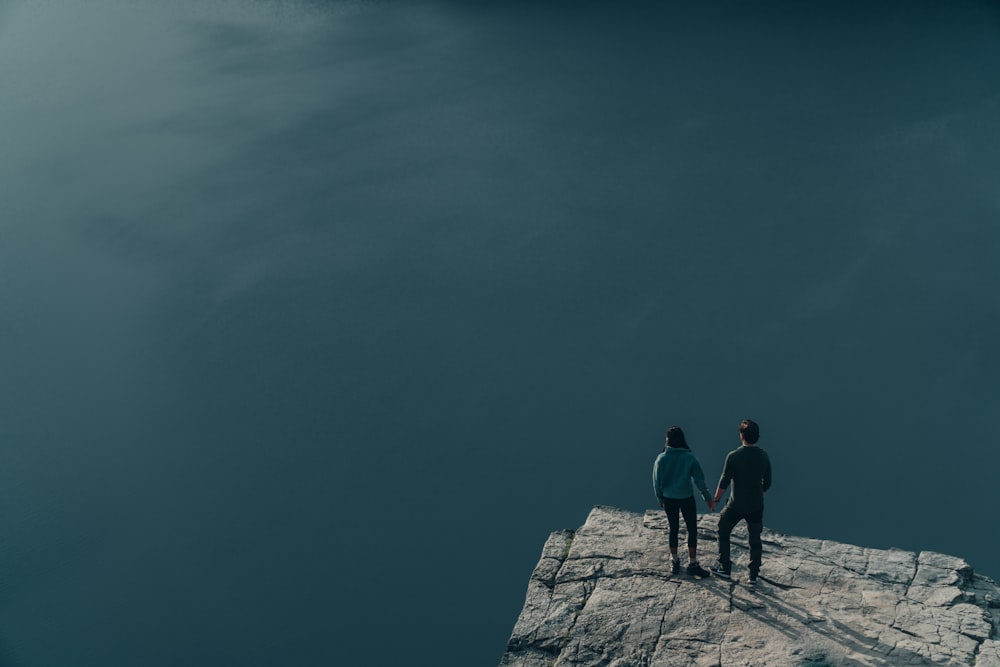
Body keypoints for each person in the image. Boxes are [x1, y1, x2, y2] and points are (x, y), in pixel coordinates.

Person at [710, 419, 772, 585]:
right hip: (756, 505)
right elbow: (768, 481)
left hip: (736, 504)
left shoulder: (734, 456)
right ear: (757, 437)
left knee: (723, 529)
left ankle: (725, 568)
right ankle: (753, 575)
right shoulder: (763, 456)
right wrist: (761, 492)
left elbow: (724, 481)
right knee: (754, 538)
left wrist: (715, 500)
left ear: (742, 435)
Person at [652, 426, 716, 577]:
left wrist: (660, 498)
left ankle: (674, 561)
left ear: (667, 440)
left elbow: (656, 481)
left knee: (673, 529)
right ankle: (692, 563)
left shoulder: (661, 458)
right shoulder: (689, 457)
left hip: (669, 498)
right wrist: (708, 498)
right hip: (686, 497)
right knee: (692, 529)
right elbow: (700, 481)